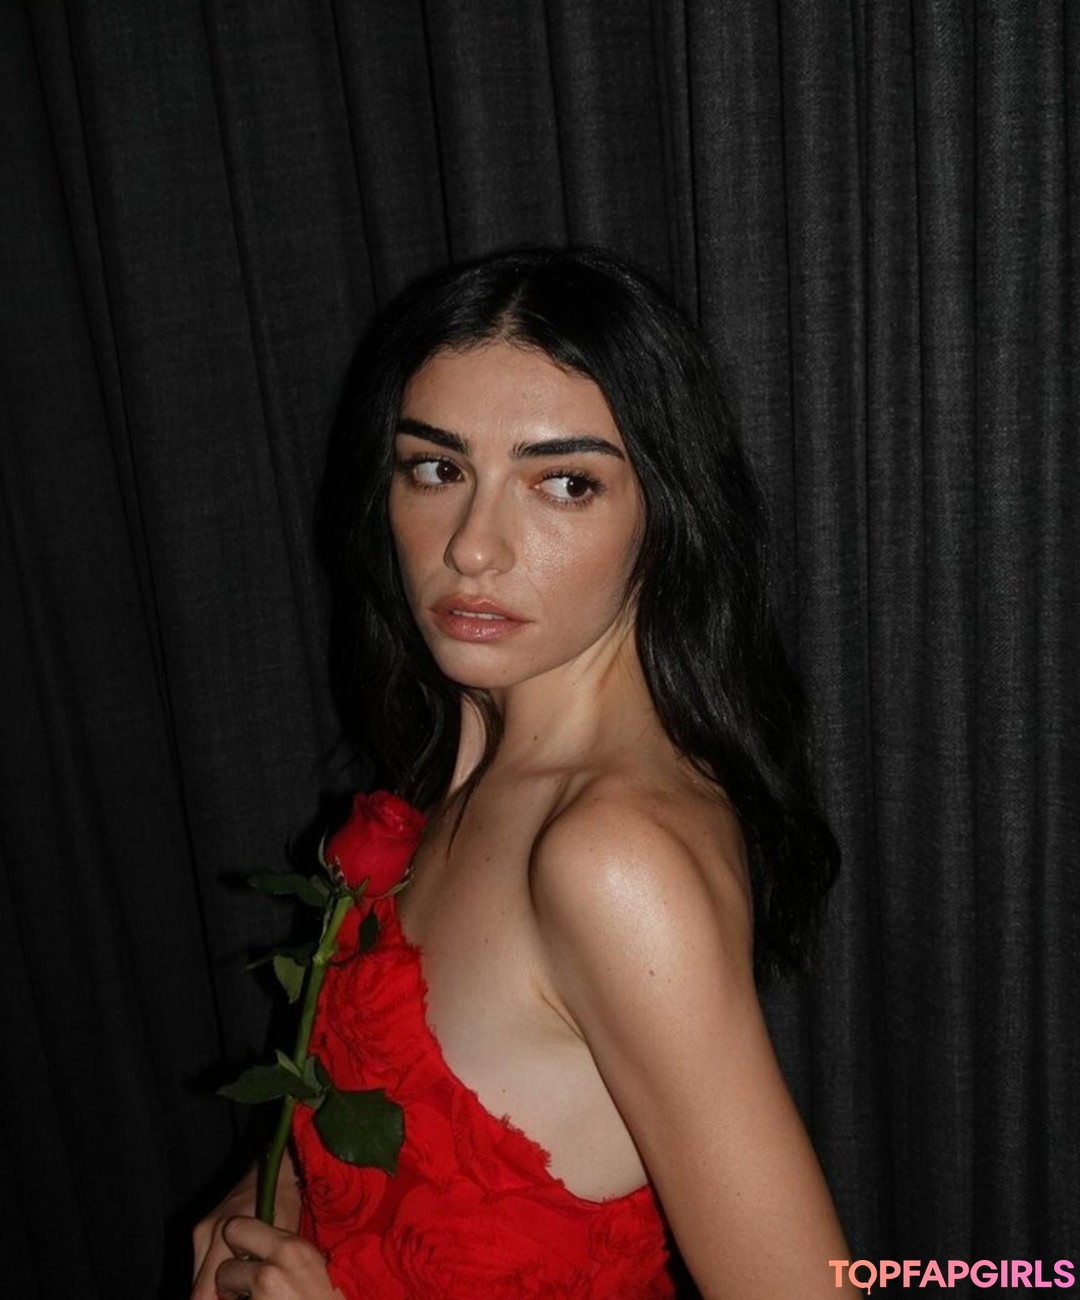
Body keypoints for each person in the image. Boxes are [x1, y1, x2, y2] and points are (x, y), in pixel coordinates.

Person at [192, 248, 860, 1298]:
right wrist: (268, 1200)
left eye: (564, 482)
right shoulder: (465, 770)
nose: (473, 547)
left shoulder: (609, 862)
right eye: (436, 469)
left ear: (666, 511)